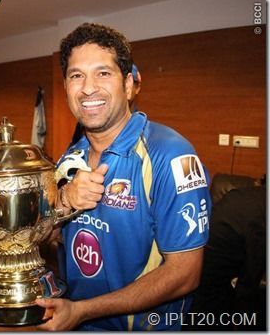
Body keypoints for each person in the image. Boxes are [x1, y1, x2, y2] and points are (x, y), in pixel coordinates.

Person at [36, 23, 211, 331]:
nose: (88, 88)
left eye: (103, 73)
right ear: (66, 87)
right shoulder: (70, 158)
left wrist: (83, 311)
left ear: (129, 85)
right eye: (77, 75)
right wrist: (63, 201)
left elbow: (185, 273)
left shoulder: (171, 155)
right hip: (74, 321)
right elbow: (47, 237)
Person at [186, 176, 266, 330]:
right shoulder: (261, 212)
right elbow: (251, 277)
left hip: (195, 266)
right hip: (209, 286)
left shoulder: (241, 196)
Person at [69, 63, 141, 145]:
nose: (88, 90)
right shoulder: (84, 126)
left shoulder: (143, 135)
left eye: (104, 74)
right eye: (77, 76)